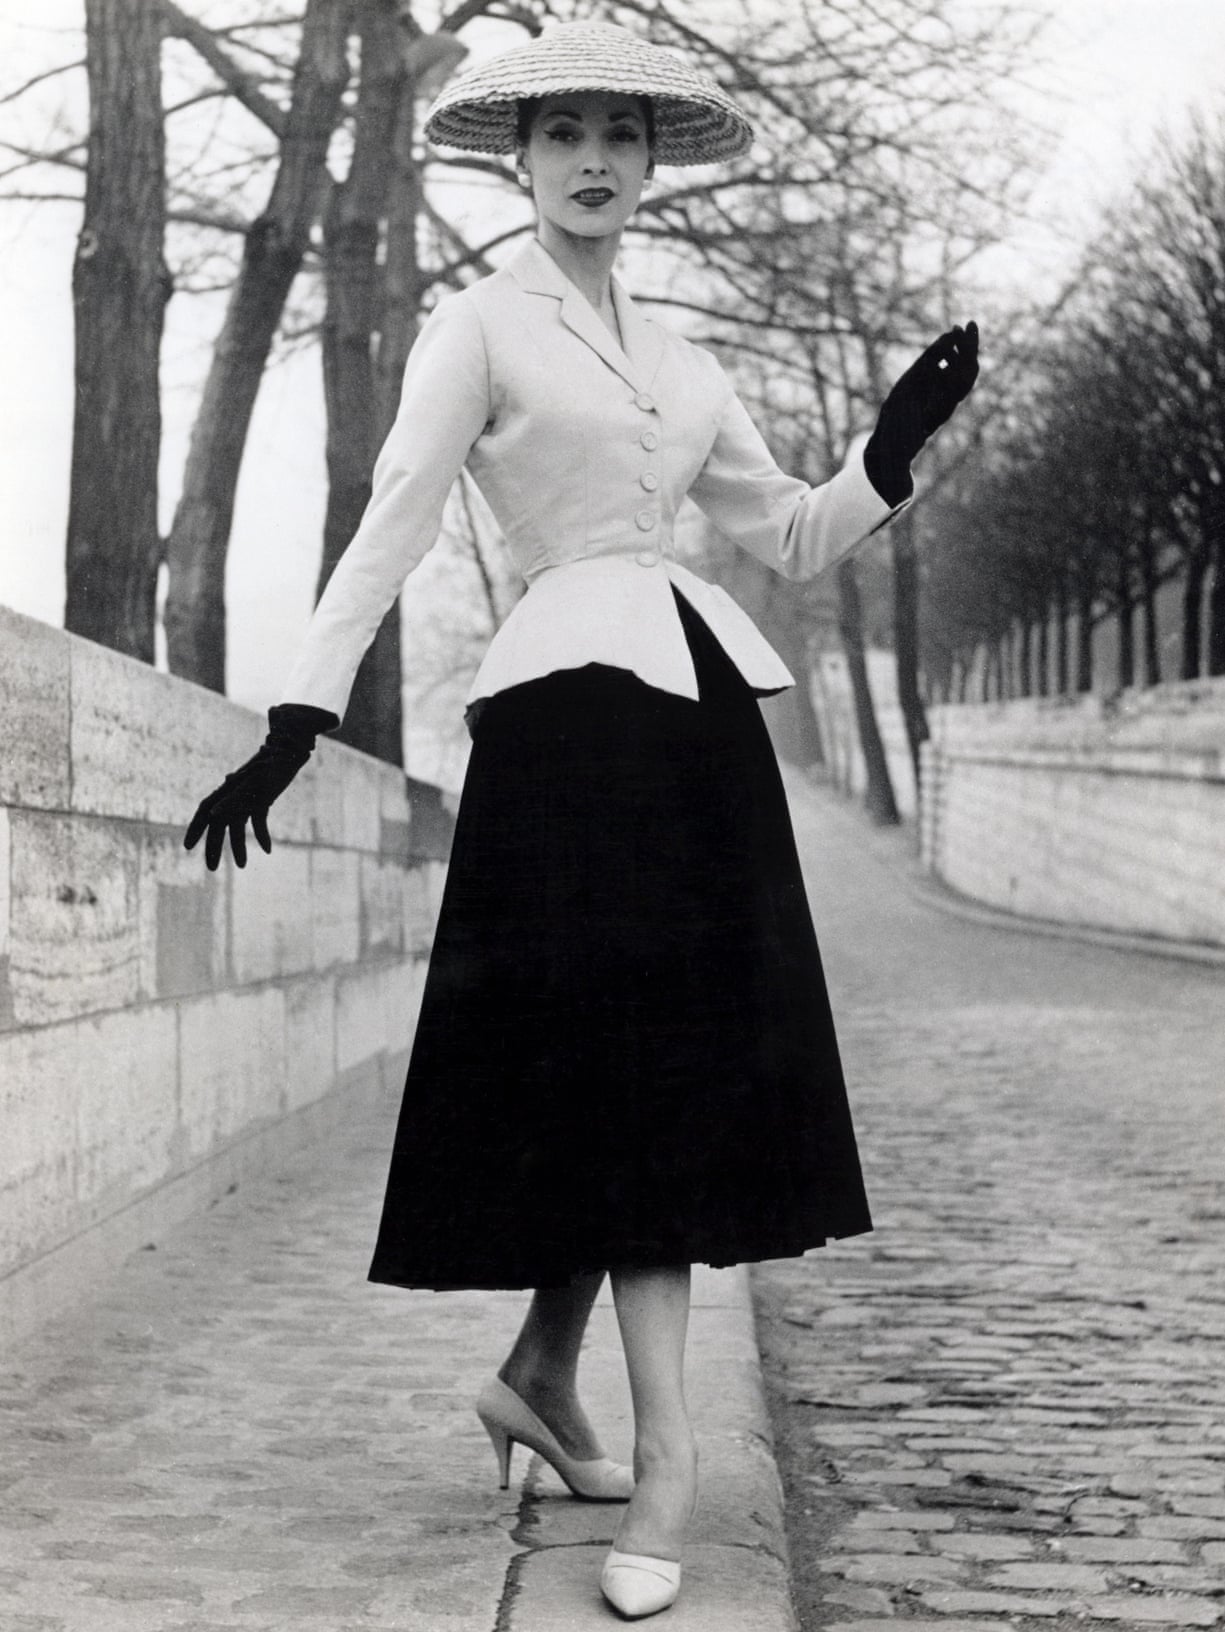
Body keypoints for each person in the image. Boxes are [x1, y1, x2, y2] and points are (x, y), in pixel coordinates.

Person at [184, 20, 978, 1620]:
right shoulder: (477, 326)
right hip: (562, 724)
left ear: (652, 161)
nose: (596, 161)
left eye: (622, 135)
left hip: (693, 725)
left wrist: (889, 449)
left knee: (645, 1070)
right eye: (565, 136)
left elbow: (788, 533)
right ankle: (665, 1459)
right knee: (615, 1069)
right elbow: (392, 523)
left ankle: (543, 1377)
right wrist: (297, 718)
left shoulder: (682, 361)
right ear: (522, 159)